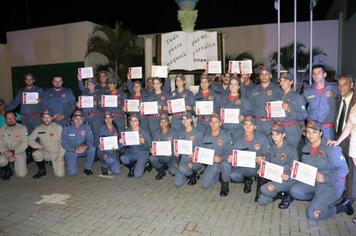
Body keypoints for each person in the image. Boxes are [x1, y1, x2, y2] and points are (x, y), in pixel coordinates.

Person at [289, 120, 351, 220]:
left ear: (321, 133)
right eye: (308, 132)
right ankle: (318, 200)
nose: (310, 135)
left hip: (331, 185)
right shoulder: (306, 148)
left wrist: (326, 177)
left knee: (312, 215)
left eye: (314, 132)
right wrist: (297, 169)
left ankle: (341, 207)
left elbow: (344, 169)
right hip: (313, 181)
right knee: (294, 191)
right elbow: (307, 166)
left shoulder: (331, 148)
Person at [257, 124, 298, 209]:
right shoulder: (272, 148)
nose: (274, 137)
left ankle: (287, 195)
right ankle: (279, 194)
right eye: (273, 134)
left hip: (286, 180)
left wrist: (288, 176)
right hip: (275, 177)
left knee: (264, 189)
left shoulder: (291, 150)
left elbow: (294, 168)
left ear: (283, 135)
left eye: (277, 134)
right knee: (261, 201)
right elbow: (267, 161)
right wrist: (262, 169)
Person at [228, 116, 271, 194]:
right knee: (233, 175)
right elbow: (233, 154)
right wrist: (230, 158)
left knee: (258, 170)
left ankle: (254, 179)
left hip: (257, 167)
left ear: (254, 127)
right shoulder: (238, 139)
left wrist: (263, 158)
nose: (247, 127)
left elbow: (268, 154)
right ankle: (247, 180)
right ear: (243, 126)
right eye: (245, 125)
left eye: (250, 125)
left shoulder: (261, 138)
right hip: (243, 166)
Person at [199, 113, 233, 197]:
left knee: (225, 165)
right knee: (204, 185)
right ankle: (218, 175)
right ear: (209, 123)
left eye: (216, 122)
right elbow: (200, 150)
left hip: (224, 161)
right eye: (212, 122)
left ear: (220, 123)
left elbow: (230, 151)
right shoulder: (205, 135)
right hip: (212, 163)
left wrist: (221, 158)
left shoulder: (226, 135)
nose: (213, 124)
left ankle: (225, 185)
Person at [303, 65, 339, 140]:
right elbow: (300, 106)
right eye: (314, 73)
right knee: (312, 150)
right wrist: (305, 118)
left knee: (327, 150)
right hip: (312, 128)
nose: (316, 75)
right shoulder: (307, 91)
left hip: (327, 128)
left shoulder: (334, 88)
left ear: (324, 74)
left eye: (319, 72)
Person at [29, 110, 65, 178]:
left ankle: (57, 162)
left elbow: (63, 143)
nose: (46, 119)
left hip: (56, 153)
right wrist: (38, 146)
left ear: (52, 118)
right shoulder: (39, 128)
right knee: (36, 154)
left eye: (48, 117)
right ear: (42, 118)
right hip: (45, 151)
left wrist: (60, 156)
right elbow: (30, 139)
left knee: (60, 175)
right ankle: (42, 170)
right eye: (44, 117)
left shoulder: (58, 127)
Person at [273, 75, 308, 148]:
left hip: (291, 131)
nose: (282, 83)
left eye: (285, 80)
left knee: (291, 154)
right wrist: (269, 110)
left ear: (291, 82)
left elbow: (304, 115)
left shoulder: (298, 97)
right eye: (281, 81)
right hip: (278, 129)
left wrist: (289, 109)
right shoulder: (276, 96)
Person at [61, 110, 96, 176]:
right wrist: (74, 149)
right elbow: (64, 142)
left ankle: (87, 168)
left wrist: (85, 146)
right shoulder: (67, 127)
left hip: (82, 149)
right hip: (71, 151)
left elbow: (90, 140)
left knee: (92, 149)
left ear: (83, 119)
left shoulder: (86, 127)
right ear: (72, 119)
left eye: (80, 118)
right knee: (72, 173)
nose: (78, 120)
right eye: (76, 118)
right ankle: (68, 162)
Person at [250, 65, 281, 137]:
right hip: (257, 123)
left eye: (266, 74)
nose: (264, 76)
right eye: (262, 74)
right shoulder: (254, 90)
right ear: (259, 76)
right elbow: (251, 107)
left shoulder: (277, 90)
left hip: (271, 122)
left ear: (270, 76)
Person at [174, 112, 203, 187]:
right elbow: (176, 147)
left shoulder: (198, 133)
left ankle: (193, 175)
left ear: (191, 120)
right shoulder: (179, 133)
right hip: (183, 159)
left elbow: (202, 149)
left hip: (194, 159)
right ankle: (190, 175)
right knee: (177, 183)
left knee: (182, 168)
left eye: (187, 118)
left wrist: (194, 154)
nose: (185, 121)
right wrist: (176, 152)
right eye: (183, 119)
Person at [120, 114, 151, 179]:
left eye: (135, 120)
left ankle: (146, 163)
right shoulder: (127, 131)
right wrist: (121, 142)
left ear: (138, 122)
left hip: (143, 153)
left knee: (137, 175)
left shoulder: (144, 132)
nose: (133, 123)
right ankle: (132, 167)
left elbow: (150, 147)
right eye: (131, 121)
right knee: (123, 158)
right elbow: (121, 147)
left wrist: (143, 142)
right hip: (132, 152)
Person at [0, 111, 28, 179]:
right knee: (1, 160)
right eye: (8, 118)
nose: (10, 120)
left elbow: (25, 144)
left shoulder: (23, 128)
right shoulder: (1, 129)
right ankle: (8, 170)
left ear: (16, 118)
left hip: (19, 152)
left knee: (21, 174)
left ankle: (20, 163)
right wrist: (5, 151)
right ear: (5, 119)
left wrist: (13, 152)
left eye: (12, 118)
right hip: (6, 152)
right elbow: (0, 144)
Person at [148, 113, 176, 180]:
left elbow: (177, 147)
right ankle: (161, 170)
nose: (163, 123)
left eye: (165, 121)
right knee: (151, 158)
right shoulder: (156, 133)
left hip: (171, 157)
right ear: (159, 123)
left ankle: (169, 166)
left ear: (168, 122)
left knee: (173, 171)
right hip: (160, 156)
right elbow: (153, 145)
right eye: (161, 122)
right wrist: (152, 149)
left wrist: (173, 153)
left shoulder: (174, 132)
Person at [78, 77, 104, 146]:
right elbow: (80, 106)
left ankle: (98, 153)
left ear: (95, 84)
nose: (90, 85)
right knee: (86, 136)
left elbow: (103, 105)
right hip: (86, 117)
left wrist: (98, 103)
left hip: (97, 117)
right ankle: (89, 151)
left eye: (91, 84)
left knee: (96, 135)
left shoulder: (99, 93)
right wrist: (78, 105)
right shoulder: (84, 93)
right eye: (88, 84)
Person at [97, 111, 121, 176]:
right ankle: (104, 167)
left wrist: (119, 144)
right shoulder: (102, 128)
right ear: (104, 120)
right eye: (106, 118)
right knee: (110, 160)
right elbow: (98, 141)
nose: (108, 120)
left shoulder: (115, 128)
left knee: (117, 171)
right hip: (103, 151)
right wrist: (100, 147)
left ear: (112, 118)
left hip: (113, 151)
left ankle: (110, 164)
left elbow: (118, 143)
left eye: (109, 117)